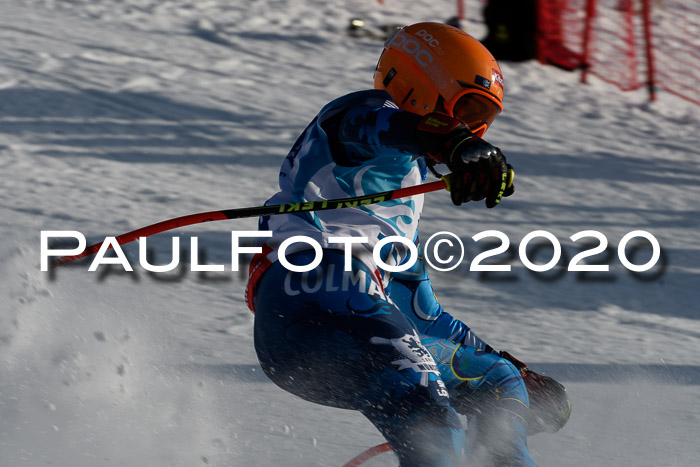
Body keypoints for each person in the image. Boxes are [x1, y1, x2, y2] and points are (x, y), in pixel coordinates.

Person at [246, 22, 571, 466]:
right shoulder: (362, 113)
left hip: (358, 326)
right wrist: (449, 140)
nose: (472, 129)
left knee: (495, 382)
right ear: (422, 87)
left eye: (480, 121)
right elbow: (377, 126)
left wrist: (516, 370)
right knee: (425, 407)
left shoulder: (401, 202)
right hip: (312, 305)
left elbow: (424, 315)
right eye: (466, 111)